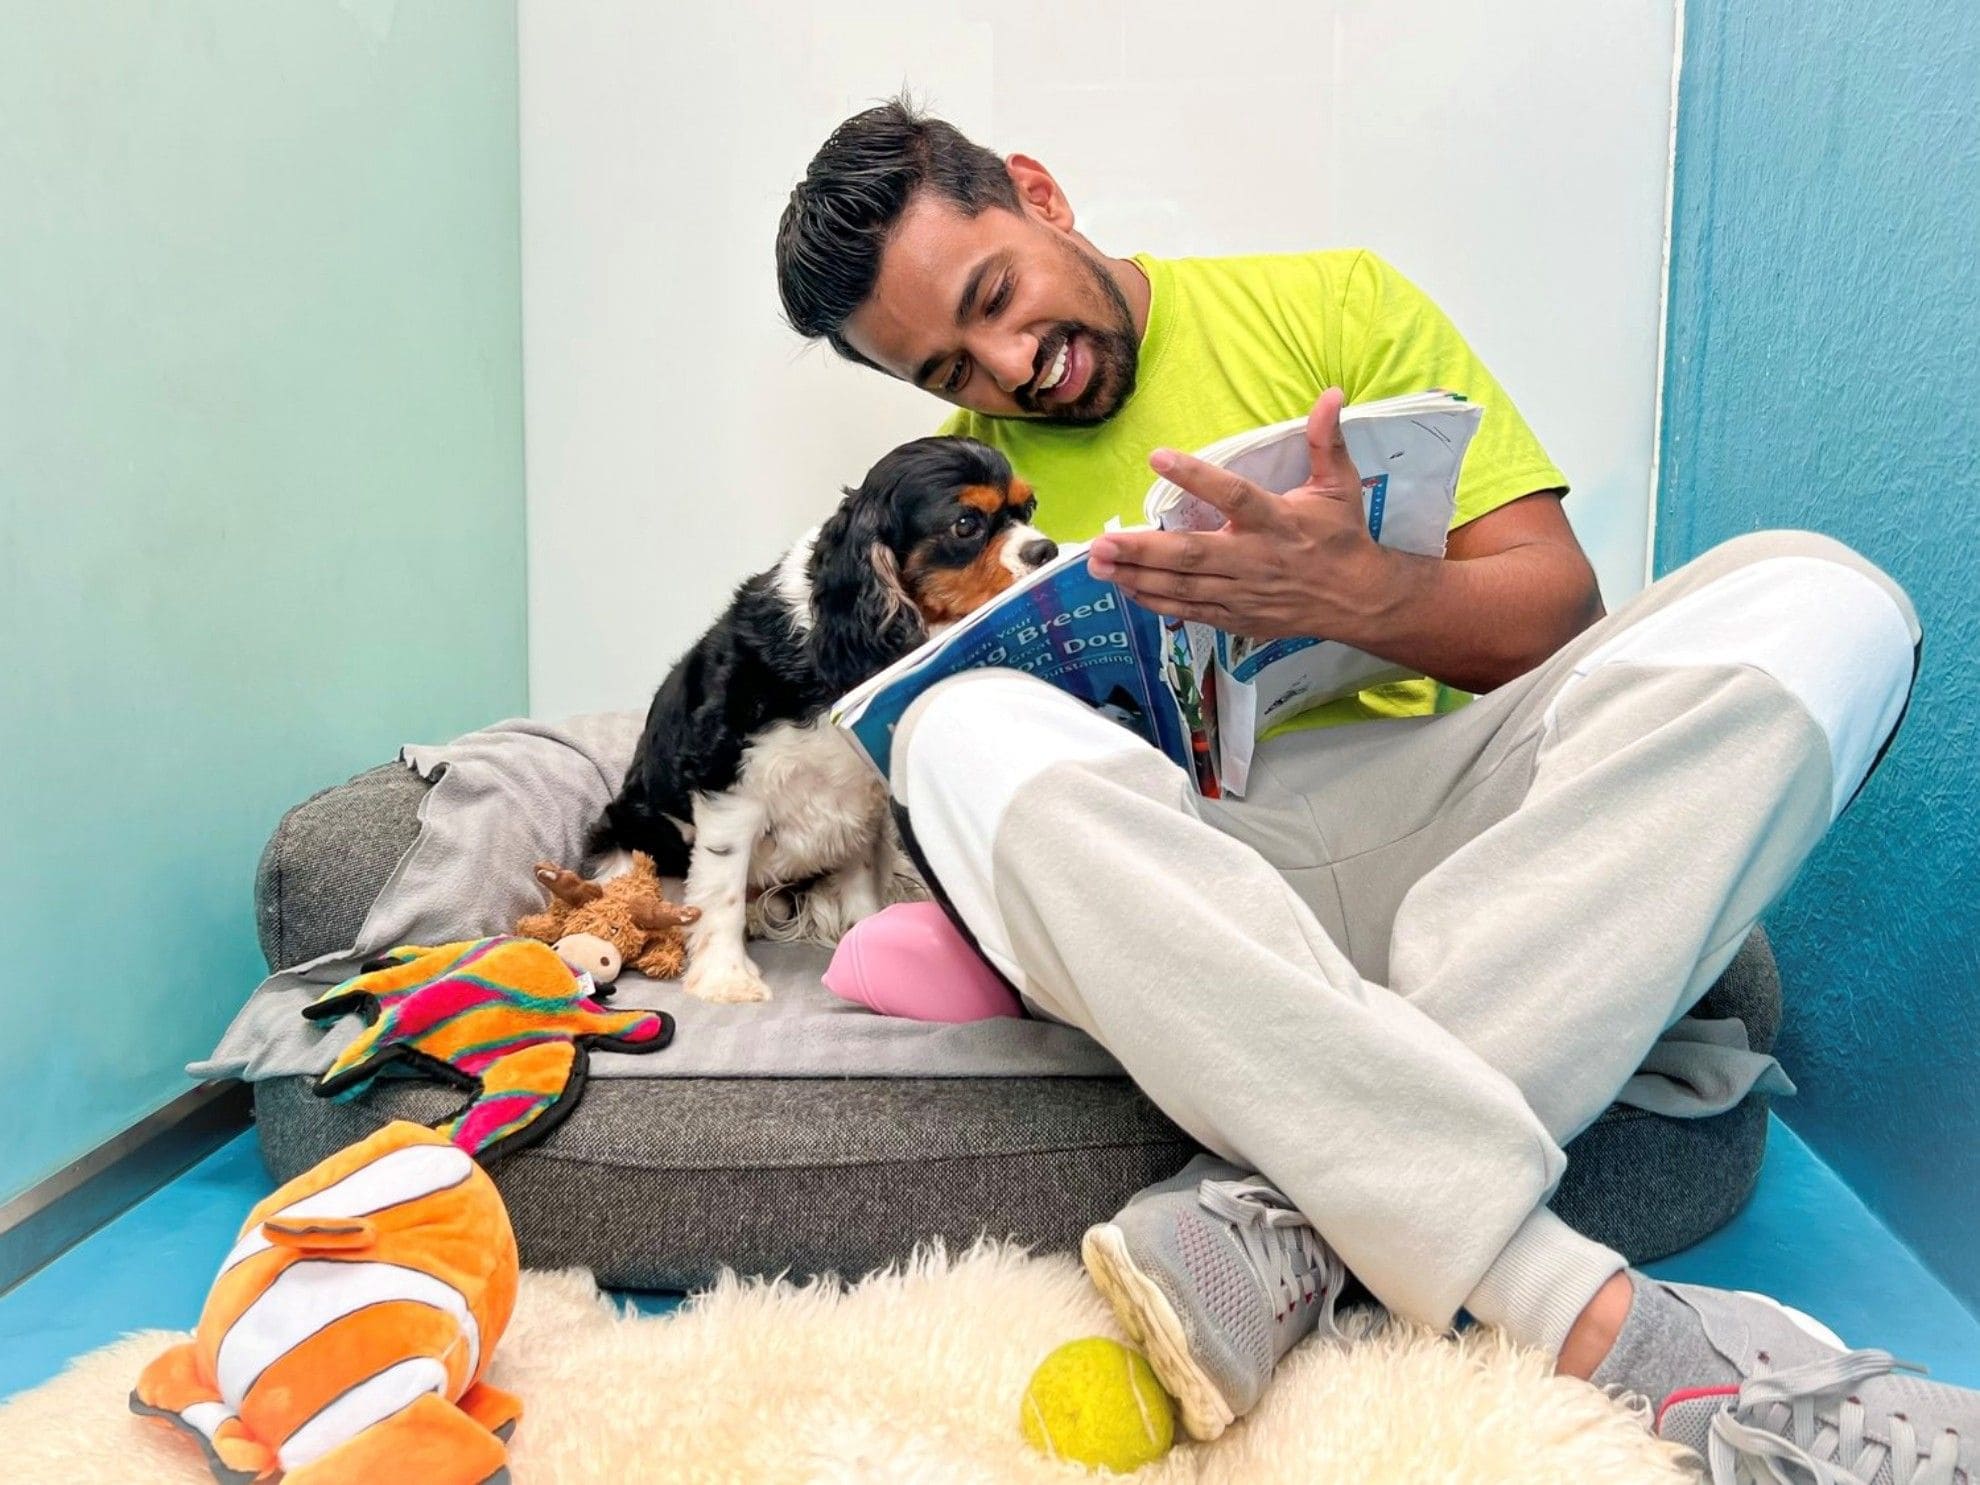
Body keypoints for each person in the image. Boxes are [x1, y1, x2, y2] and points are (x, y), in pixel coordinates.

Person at [773, 99, 1971, 1482]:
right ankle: (1608, 1329)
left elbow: (1555, 612)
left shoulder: (1332, 303)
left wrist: (1361, 595)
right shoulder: (969, 491)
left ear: (1039, 194)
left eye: (996, 298)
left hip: (1456, 852)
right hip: (1192, 904)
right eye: (949, 370)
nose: (1009, 368)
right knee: (948, 739)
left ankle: (1274, 1211)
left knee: (1826, 604)